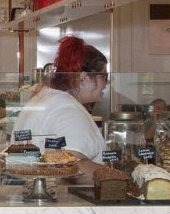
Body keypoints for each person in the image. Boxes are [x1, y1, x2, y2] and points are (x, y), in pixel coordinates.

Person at [14, 36, 109, 181]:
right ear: (83, 78)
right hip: (57, 194)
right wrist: (118, 177)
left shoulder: (46, 97)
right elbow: (72, 168)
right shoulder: (69, 111)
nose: (107, 83)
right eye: (104, 76)